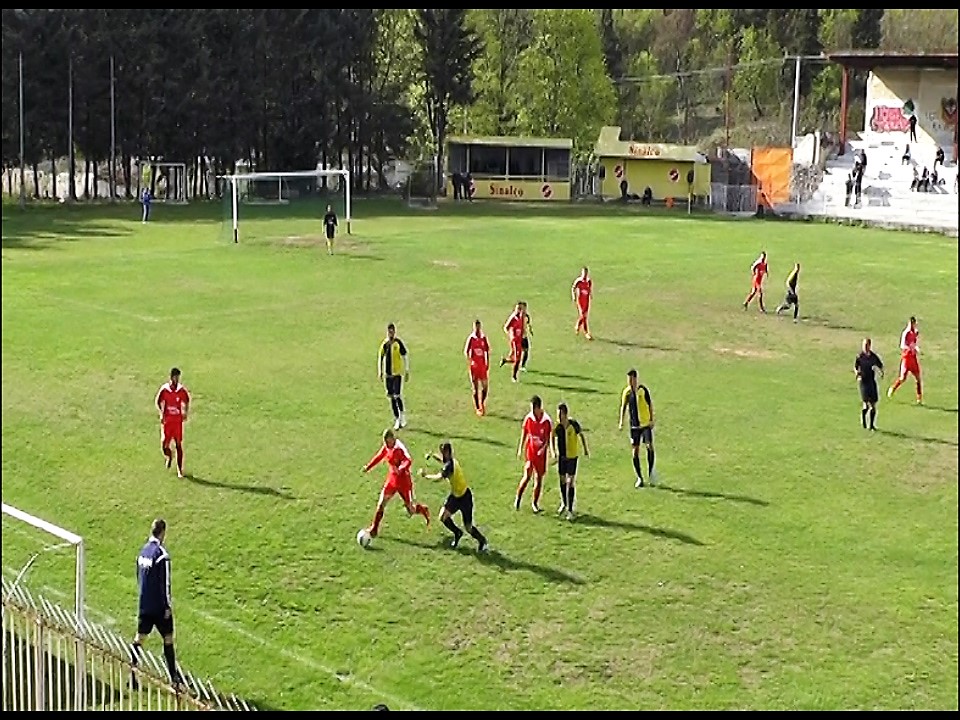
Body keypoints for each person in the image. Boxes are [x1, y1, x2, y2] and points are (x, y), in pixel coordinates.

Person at [130, 518, 182, 688]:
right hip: (159, 607)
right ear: (163, 532)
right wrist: (167, 606)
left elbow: (139, 577)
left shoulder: (142, 551)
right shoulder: (161, 555)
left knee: (139, 638)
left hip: (145, 603)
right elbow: (165, 583)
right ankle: (174, 677)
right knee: (167, 638)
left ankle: (132, 674)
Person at [419, 442, 489, 552]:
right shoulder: (451, 460)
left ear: (446, 452)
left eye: (442, 452)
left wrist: (426, 476)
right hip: (456, 496)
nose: (441, 454)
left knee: (469, 527)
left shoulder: (449, 466)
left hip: (465, 498)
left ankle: (482, 541)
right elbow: (442, 460)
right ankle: (457, 533)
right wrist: (433, 456)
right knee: (443, 516)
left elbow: (438, 478)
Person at [361, 429, 430, 538]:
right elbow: (379, 456)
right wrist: (368, 467)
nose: (387, 445)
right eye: (385, 443)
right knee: (381, 503)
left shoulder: (399, 448)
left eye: (388, 442)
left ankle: (422, 509)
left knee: (411, 510)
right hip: (392, 480)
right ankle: (374, 528)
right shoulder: (387, 447)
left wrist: (401, 468)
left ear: (393, 439)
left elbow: (408, 460)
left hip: (404, 482)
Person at [619, 369, 657, 488]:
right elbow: (623, 407)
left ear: (636, 379)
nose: (630, 382)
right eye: (628, 380)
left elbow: (650, 404)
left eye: (632, 379)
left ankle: (651, 473)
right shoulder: (627, 392)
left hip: (645, 424)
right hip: (634, 426)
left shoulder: (643, 390)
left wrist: (651, 419)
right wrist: (621, 421)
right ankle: (639, 477)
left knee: (649, 446)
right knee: (635, 451)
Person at [515, 395, 553, 513]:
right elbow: (524, 433)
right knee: (527, 475)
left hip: (541, 454)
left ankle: (535, 503)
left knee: (539, 479)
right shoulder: (529, 418)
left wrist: (547, 450)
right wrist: (520, 448)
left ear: (539, 408)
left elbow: (549, 438)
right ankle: (518, 499)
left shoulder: (546, 421)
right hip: (531, 452)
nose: (531, 411)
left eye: (533, 408)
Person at [553, 403, 589, 520]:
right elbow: (551, 437)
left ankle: (570, 510)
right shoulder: (558, 427)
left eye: (560, 415)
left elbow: (581, 435)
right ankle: (564, 503)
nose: (559, 417)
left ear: (565, 414)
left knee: (570, 481)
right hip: (562, 458)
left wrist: (585, 449)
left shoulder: (573, 424)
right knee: (562, 480)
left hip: (572, 457)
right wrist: (553, 452)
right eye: (558, 415)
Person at [155, 367, 190, 479]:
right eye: (175, 377)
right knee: (164, 445)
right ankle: (169, 457)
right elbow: (158, 401)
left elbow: (187, 400)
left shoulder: (181, 390)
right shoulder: (165, 389)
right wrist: (161, 413)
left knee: (179, 445)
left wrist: (185, 412)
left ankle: (180, 470)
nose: (176, 379)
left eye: (178, 377)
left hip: (177, 422)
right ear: (171, 377)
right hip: (167, 422)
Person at [378, 323, 410, 430]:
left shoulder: (398, 343)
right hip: (388, 375)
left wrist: (406, 370)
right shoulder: (385, 344)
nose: (391, 333)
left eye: (392, 331)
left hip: (397, 374)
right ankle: (396, 418)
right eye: (389, 331)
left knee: (397, 395)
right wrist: (380, 371)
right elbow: (381, 357)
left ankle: (402, 415)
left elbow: (405, 355)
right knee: (391, 397)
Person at [887, 316, 923, 404]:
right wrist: (910, 348)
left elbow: (914, 343)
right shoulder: (906, 333)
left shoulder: (914, 332)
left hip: (913, 358)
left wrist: (916, 349)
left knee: (918, 378)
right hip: (906, 358)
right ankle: (892, 388)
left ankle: (919, 398)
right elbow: (902, 345)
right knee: (903, 378)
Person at [855, 338, 884, 431]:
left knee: (873, 405)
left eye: (867, 345)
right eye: (864, 345)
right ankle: (863, 420)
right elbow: (856, 366)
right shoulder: (860, 356)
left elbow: (880, 365)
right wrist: (857, 373)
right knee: (866, 405)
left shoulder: (873, 356)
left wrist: (881, 372)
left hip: (871, 381)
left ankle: (871, 425)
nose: (865, 347)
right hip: (863, 382)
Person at [463, 319, 490, 416]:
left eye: (478, 327)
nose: (477, 329)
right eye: (475, 327)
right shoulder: (471, 338)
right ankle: (478, 407)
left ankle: (482, 403)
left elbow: (487, 351)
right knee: (475, 388)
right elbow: (466, 351)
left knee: (485, 388)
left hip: (482, 366)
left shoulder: (483, 338)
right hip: (474, 367)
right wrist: (471, 361)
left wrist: (487, 363)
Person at [499, 302, 525, 383]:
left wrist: (522, 334)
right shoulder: (513, 318)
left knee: (518, 358)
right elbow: (506, 327)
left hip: (519, 340)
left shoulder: (522, 317)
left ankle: (505, 360)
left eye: (520, 308)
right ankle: (514, 376)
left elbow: (522, 327)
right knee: (517, 358)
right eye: (518, 308)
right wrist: (511, 335)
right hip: (514, 340)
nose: (519, 310)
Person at [572, 267, 593, 340]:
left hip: (586, 300)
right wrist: (574, 296)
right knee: (583, 315)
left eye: (586, 273)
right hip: (580, 300)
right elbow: (573, 288)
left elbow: (589, 289)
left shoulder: (589, 281)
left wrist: (590, 295)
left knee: (585, 316)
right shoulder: (579, 281)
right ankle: (586, 332)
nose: (585, 274)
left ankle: (578, 325)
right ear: (582, 273)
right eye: (584, 273)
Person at [519, 301, 533, 372]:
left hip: (524, 337)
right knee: (518, 353)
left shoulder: (526, 316)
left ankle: (522, 365)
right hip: (518, 337)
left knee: (526, 351)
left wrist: (530, 330)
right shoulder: (517, 316)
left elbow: (528, 324)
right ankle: (506, 360)